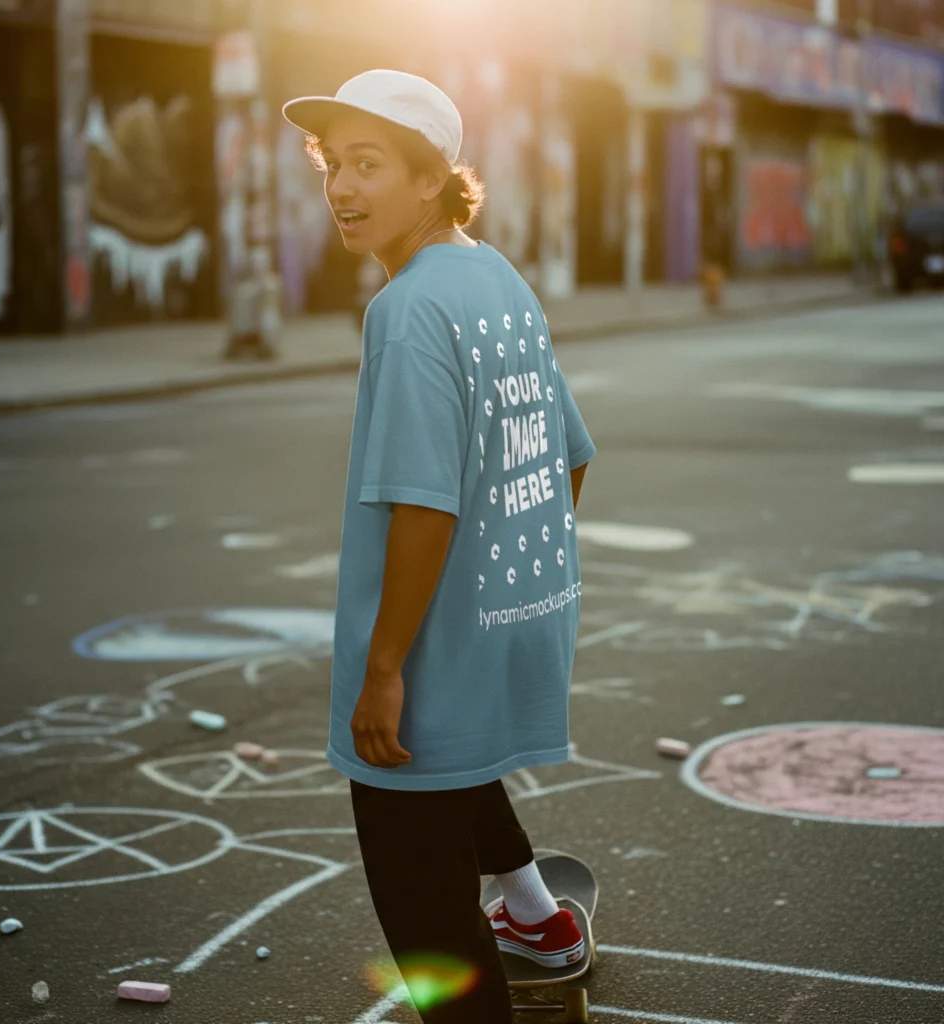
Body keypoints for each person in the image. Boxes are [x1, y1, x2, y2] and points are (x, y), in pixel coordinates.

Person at [282, 69, 596, 1022]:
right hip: (507, 631)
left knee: (430, 929)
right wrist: (493, 586)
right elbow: (569, 457)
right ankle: (538, 918)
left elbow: (425, 507)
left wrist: (385, 667)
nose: (341, 187)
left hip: (428, 657)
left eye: (369, 164)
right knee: (461, 783)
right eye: (335, 165)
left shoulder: (408, 309)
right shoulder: (495, 274)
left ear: (431, 180)